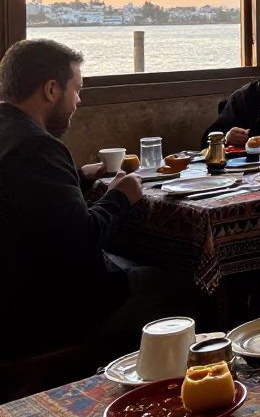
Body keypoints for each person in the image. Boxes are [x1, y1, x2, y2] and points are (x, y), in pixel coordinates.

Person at [0, 39, 193, 357]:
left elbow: (31, 196)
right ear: (51, 90)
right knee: (184, 285)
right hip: (43, 310)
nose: (77, 102)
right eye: (75, 90)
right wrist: (121, 196)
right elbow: (83, 239)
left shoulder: (13, 136)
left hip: (17, 293)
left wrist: (80, 175)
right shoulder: (37, 146)